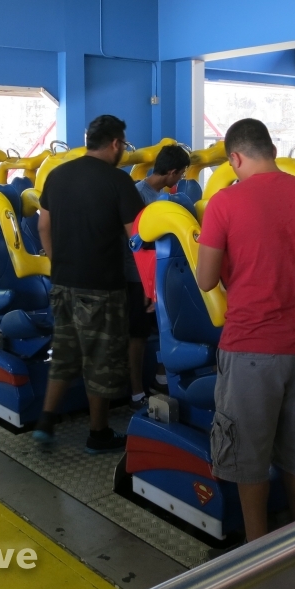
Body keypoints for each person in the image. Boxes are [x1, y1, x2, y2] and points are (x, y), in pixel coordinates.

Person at [197, 122, 295, 541]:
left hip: (250, 350)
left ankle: (258, 547)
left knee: (249, 456)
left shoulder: (223, 203)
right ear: (273, 150)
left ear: (235, 159)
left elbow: (206, 279)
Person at [33, 115, 146, 454]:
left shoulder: (57, 175)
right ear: (115, 143)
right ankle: (98, 433)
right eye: (123, 145)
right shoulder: (118, 181)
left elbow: (43, 227)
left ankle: (46, 421)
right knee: (101, 360)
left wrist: (59, 264)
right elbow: (138, 239)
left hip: (62, 284)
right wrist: (151, 287)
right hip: (102, 289)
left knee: (65, 352)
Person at [128, 145, 193, 409]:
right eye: (181, 174)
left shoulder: (167, 198)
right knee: (138, 335)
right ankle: (135, 393)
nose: (180, 180)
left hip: (162, 276)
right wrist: (147, 287)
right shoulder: (137, 195)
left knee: (173, 325)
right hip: (138, 277)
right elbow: (135, 244)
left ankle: (161, 376)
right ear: (173, 172)